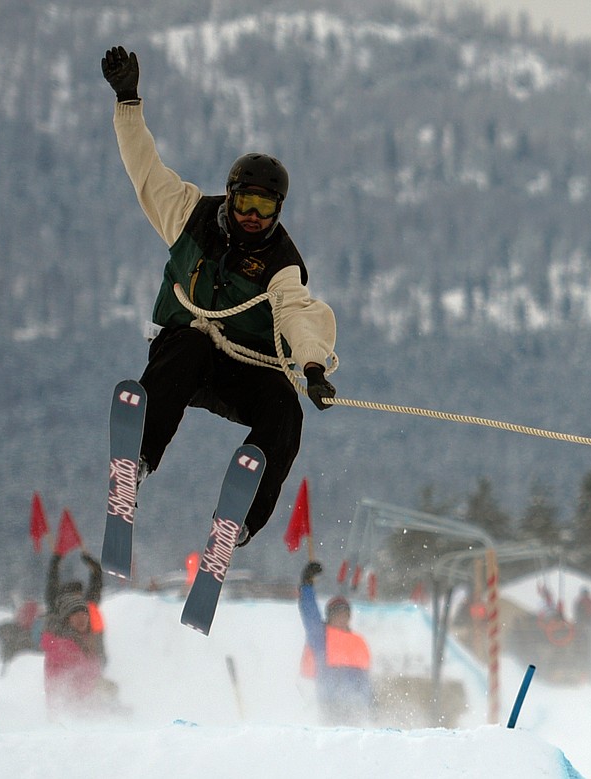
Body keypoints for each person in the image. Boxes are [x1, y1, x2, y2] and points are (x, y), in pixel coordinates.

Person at [100, 46, 337, 548]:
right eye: (246, 202)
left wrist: (313, 368)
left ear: (278, 210)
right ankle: (136, 461)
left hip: (243, 371)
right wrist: (128, 100)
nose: (254, 216)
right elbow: (145, 169)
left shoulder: (282, 263)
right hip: (185, 356)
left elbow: (298, 316)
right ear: (229, 195)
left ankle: (238, 520)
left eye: (265, 207)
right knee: (187, 345)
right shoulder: (189, 213)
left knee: (285, 412)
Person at [297, 561, 372, 725]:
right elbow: (310, 614)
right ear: (329, 616)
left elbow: (365, 679)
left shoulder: (358, 641)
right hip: (330, 705)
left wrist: (371, 705)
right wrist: (307, 585)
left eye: (345, 614)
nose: (341, 617)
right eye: (337, 613)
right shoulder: (321, 637)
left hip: (355, 707)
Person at [40, 590, 120, 717]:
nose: (81, 618)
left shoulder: (82, 642)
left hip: (84, 709)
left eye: (84, 614)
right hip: (71, 713)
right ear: (67, 619)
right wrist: (100, 686)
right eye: (75, 614)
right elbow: (75, 681)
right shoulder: (61, 645)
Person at [45, 550, 106, 659]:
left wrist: (95, 567)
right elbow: (51, 587)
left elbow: (96, 585)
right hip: (70, 664)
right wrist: (55, 564)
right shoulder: (58, 609)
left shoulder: (85, 606)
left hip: (92, 662)